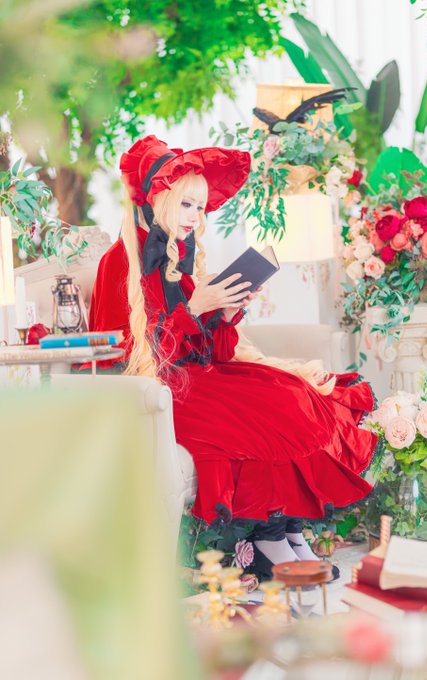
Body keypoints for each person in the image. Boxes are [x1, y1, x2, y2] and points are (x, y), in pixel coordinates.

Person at [89, 135, 378, 580]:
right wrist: (194, 309)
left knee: (294, 391)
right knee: (272, 407)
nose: (195, 216)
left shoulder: (177, 258)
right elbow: (129, 361)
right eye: (187, 205)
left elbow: (211, 351)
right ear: (158, 200)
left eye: (200, 207)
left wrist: (223, 314)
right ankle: (267, 538)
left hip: (198, 379)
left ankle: (285, 530)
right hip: (161, 394)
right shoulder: (118, 263)